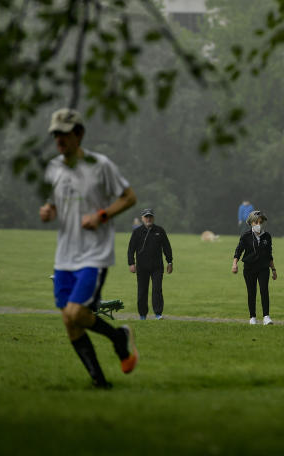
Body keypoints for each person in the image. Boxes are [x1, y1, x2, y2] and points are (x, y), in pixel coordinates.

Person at [39, 108, 140, 389]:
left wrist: (101, 216)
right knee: (69, 321)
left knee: (75, 313)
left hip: (94, 253)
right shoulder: (53, 168)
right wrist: (48, 210)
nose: (59, 139)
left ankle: (118, 338)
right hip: (65, 255)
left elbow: (129, 197)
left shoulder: (101, 164)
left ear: (79, 134)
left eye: (64, 133)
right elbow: (55, 203)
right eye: (55, 133)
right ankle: (100, 382)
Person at [127, 208, 173, 320]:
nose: (148, 219)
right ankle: (142, 315)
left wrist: (170, 261)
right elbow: (131, 249)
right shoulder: (137, 232)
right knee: (142, 291)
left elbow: (167, 247)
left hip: (157, 266)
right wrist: (131, 263)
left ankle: (158, 314)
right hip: (142, 267)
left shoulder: (160, 231)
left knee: (157, 290)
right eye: (146, 217)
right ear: (142, 218)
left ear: (153, 218)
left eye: (150, 216)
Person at [231, 210, 277, 325]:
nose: (258, 225)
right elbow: (238, 251)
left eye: (260, 222)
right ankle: (252, 317)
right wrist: (234, 264)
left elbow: (269, 254)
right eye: (255, 222)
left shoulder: (267, 236)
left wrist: (273, 269)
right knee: (251, 292)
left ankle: (266, 316)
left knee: (264, 290)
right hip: (249, 268)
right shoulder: (246, 236)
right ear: (251, 223)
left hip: (263, 268)